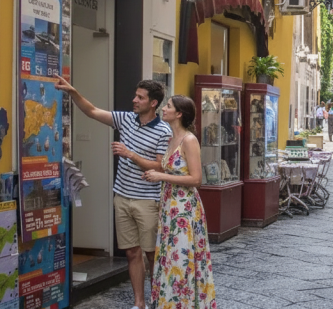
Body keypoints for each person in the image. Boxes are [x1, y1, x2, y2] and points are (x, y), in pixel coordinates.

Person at [54, 75, 170, 309]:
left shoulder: (163, 131)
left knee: (151, 255)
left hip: (147, 200)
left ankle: (160, 301)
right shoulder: (126, 119)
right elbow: (93, 111)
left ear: (153, 103)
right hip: (122, 197)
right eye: (136, 95)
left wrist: (131, 155)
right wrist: (73, 92)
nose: (134, 100)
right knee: (131, 253)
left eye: (140, 97)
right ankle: (139, 303)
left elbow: (160, 166)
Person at [143, 96, 216, 309]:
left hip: (184, 209)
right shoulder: (170, 139)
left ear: (179, 114)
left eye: (168, 106)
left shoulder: (189, 140)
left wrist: (162, 177)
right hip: (170, 207)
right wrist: (153, 173)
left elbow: (196, 179)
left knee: (181, 256)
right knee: (170, 257)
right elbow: (173, 170)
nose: (163, 109)